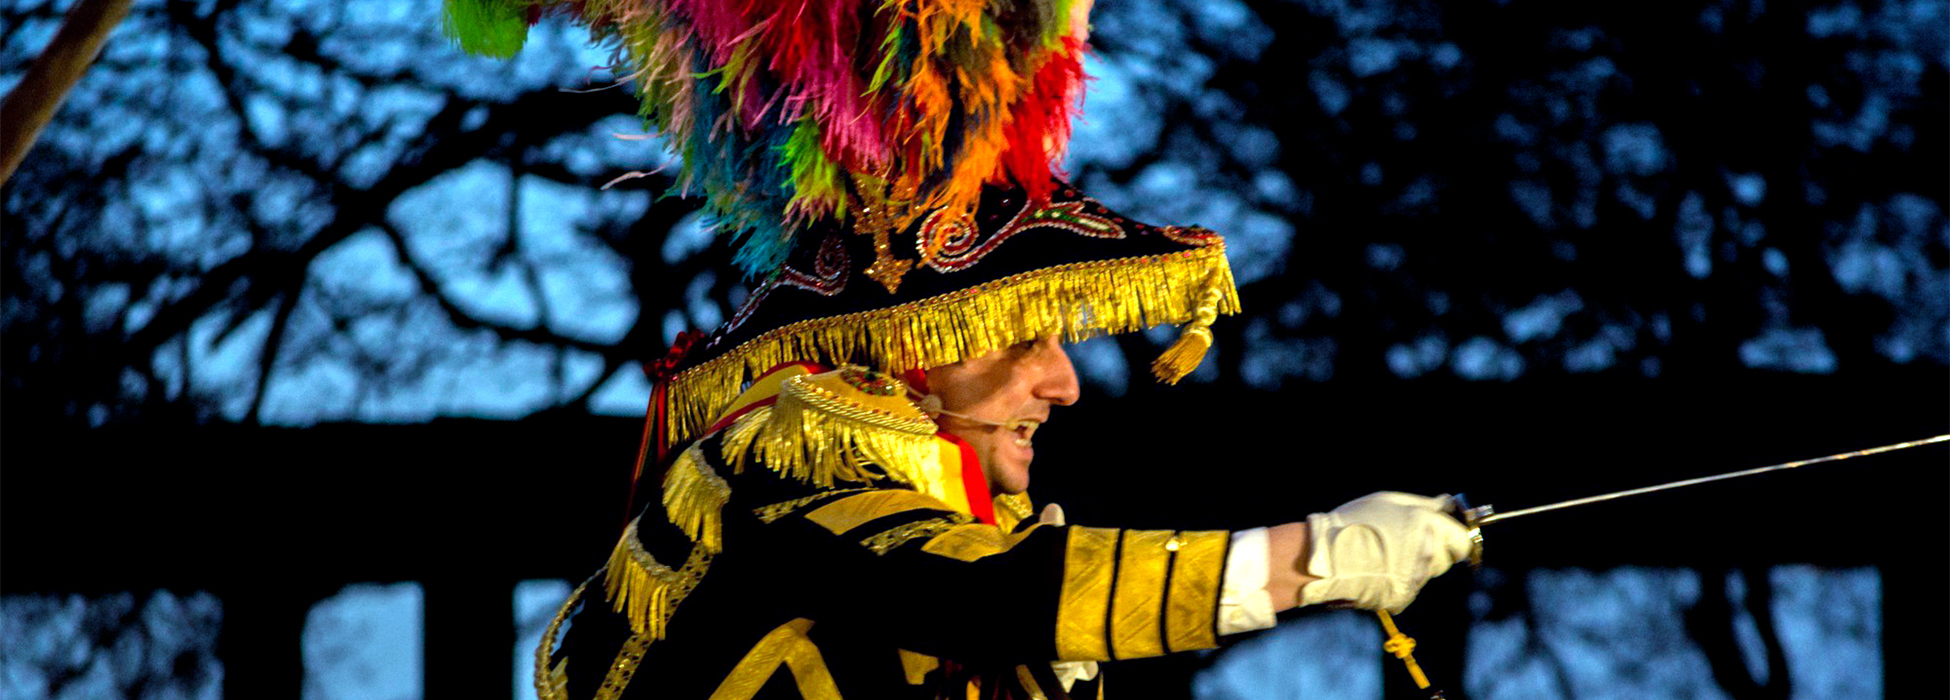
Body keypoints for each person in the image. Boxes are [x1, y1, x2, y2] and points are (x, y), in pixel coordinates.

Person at [443, 1, 1475, 698]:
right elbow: (985, 590)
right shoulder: (786, 477)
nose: (1063, 382)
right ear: (905, 349)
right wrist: (1319, 559)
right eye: (1024, 335)